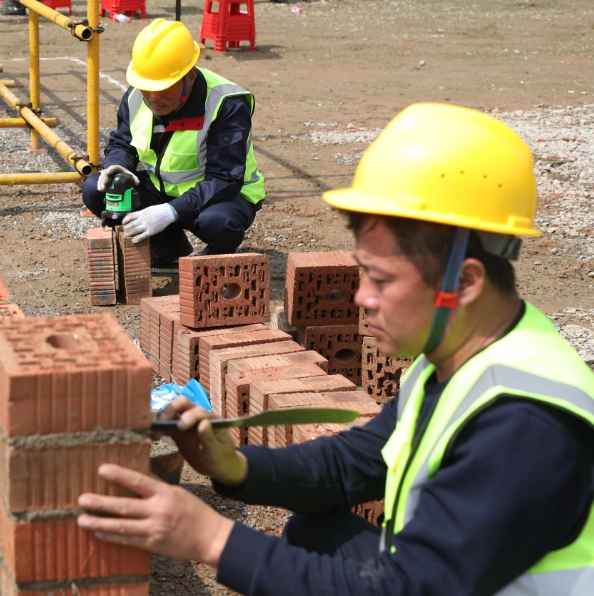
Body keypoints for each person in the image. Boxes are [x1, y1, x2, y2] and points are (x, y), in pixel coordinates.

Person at [75, 102, 594, 595]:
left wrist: (210, 539)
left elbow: (413, 588)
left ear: (467, 281)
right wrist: (233, 465)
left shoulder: (525, 423)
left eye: (381, 279)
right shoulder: (472, 352)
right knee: (315, 535)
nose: (361, 297)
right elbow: (359, 460)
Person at [80, 20, 264, 269]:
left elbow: (225, 178)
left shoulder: (226, 103)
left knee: (220, 223)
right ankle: (168, 247)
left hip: (220, 197)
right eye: (148, 87)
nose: (154, 97)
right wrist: (117, 166)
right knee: (97, 189)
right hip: (162, 189)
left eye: (164, 87)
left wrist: (169, 212)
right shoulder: (136, 95)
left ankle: (215, 261)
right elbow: (122, 143)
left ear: (190, 75)